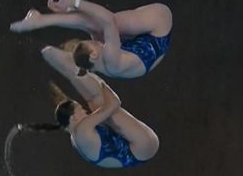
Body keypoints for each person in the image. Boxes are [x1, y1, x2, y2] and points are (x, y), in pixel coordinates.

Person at [21, 52, 159, 168]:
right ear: (73, 117)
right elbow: (114, 103)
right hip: (143, 145)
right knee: (101, 103)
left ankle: (75, 70)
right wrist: (100, 81)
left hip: (137, 153)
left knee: (96, 103)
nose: (85, 111)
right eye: (80, 109)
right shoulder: (82, 129)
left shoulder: (75, 137)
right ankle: (79, 69)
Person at [10, 0, 172, 79]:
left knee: (94, 25)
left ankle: (42, 20)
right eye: (93, 43)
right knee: (109, 22)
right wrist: (76, 1)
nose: (95, 41)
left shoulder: (97, 62)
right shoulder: (110, 59)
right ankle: (42, 21)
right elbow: (108, 20)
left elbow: (87, 23)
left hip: (142, 46)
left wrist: (67, 11)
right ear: (93, 54)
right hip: (160, 27)